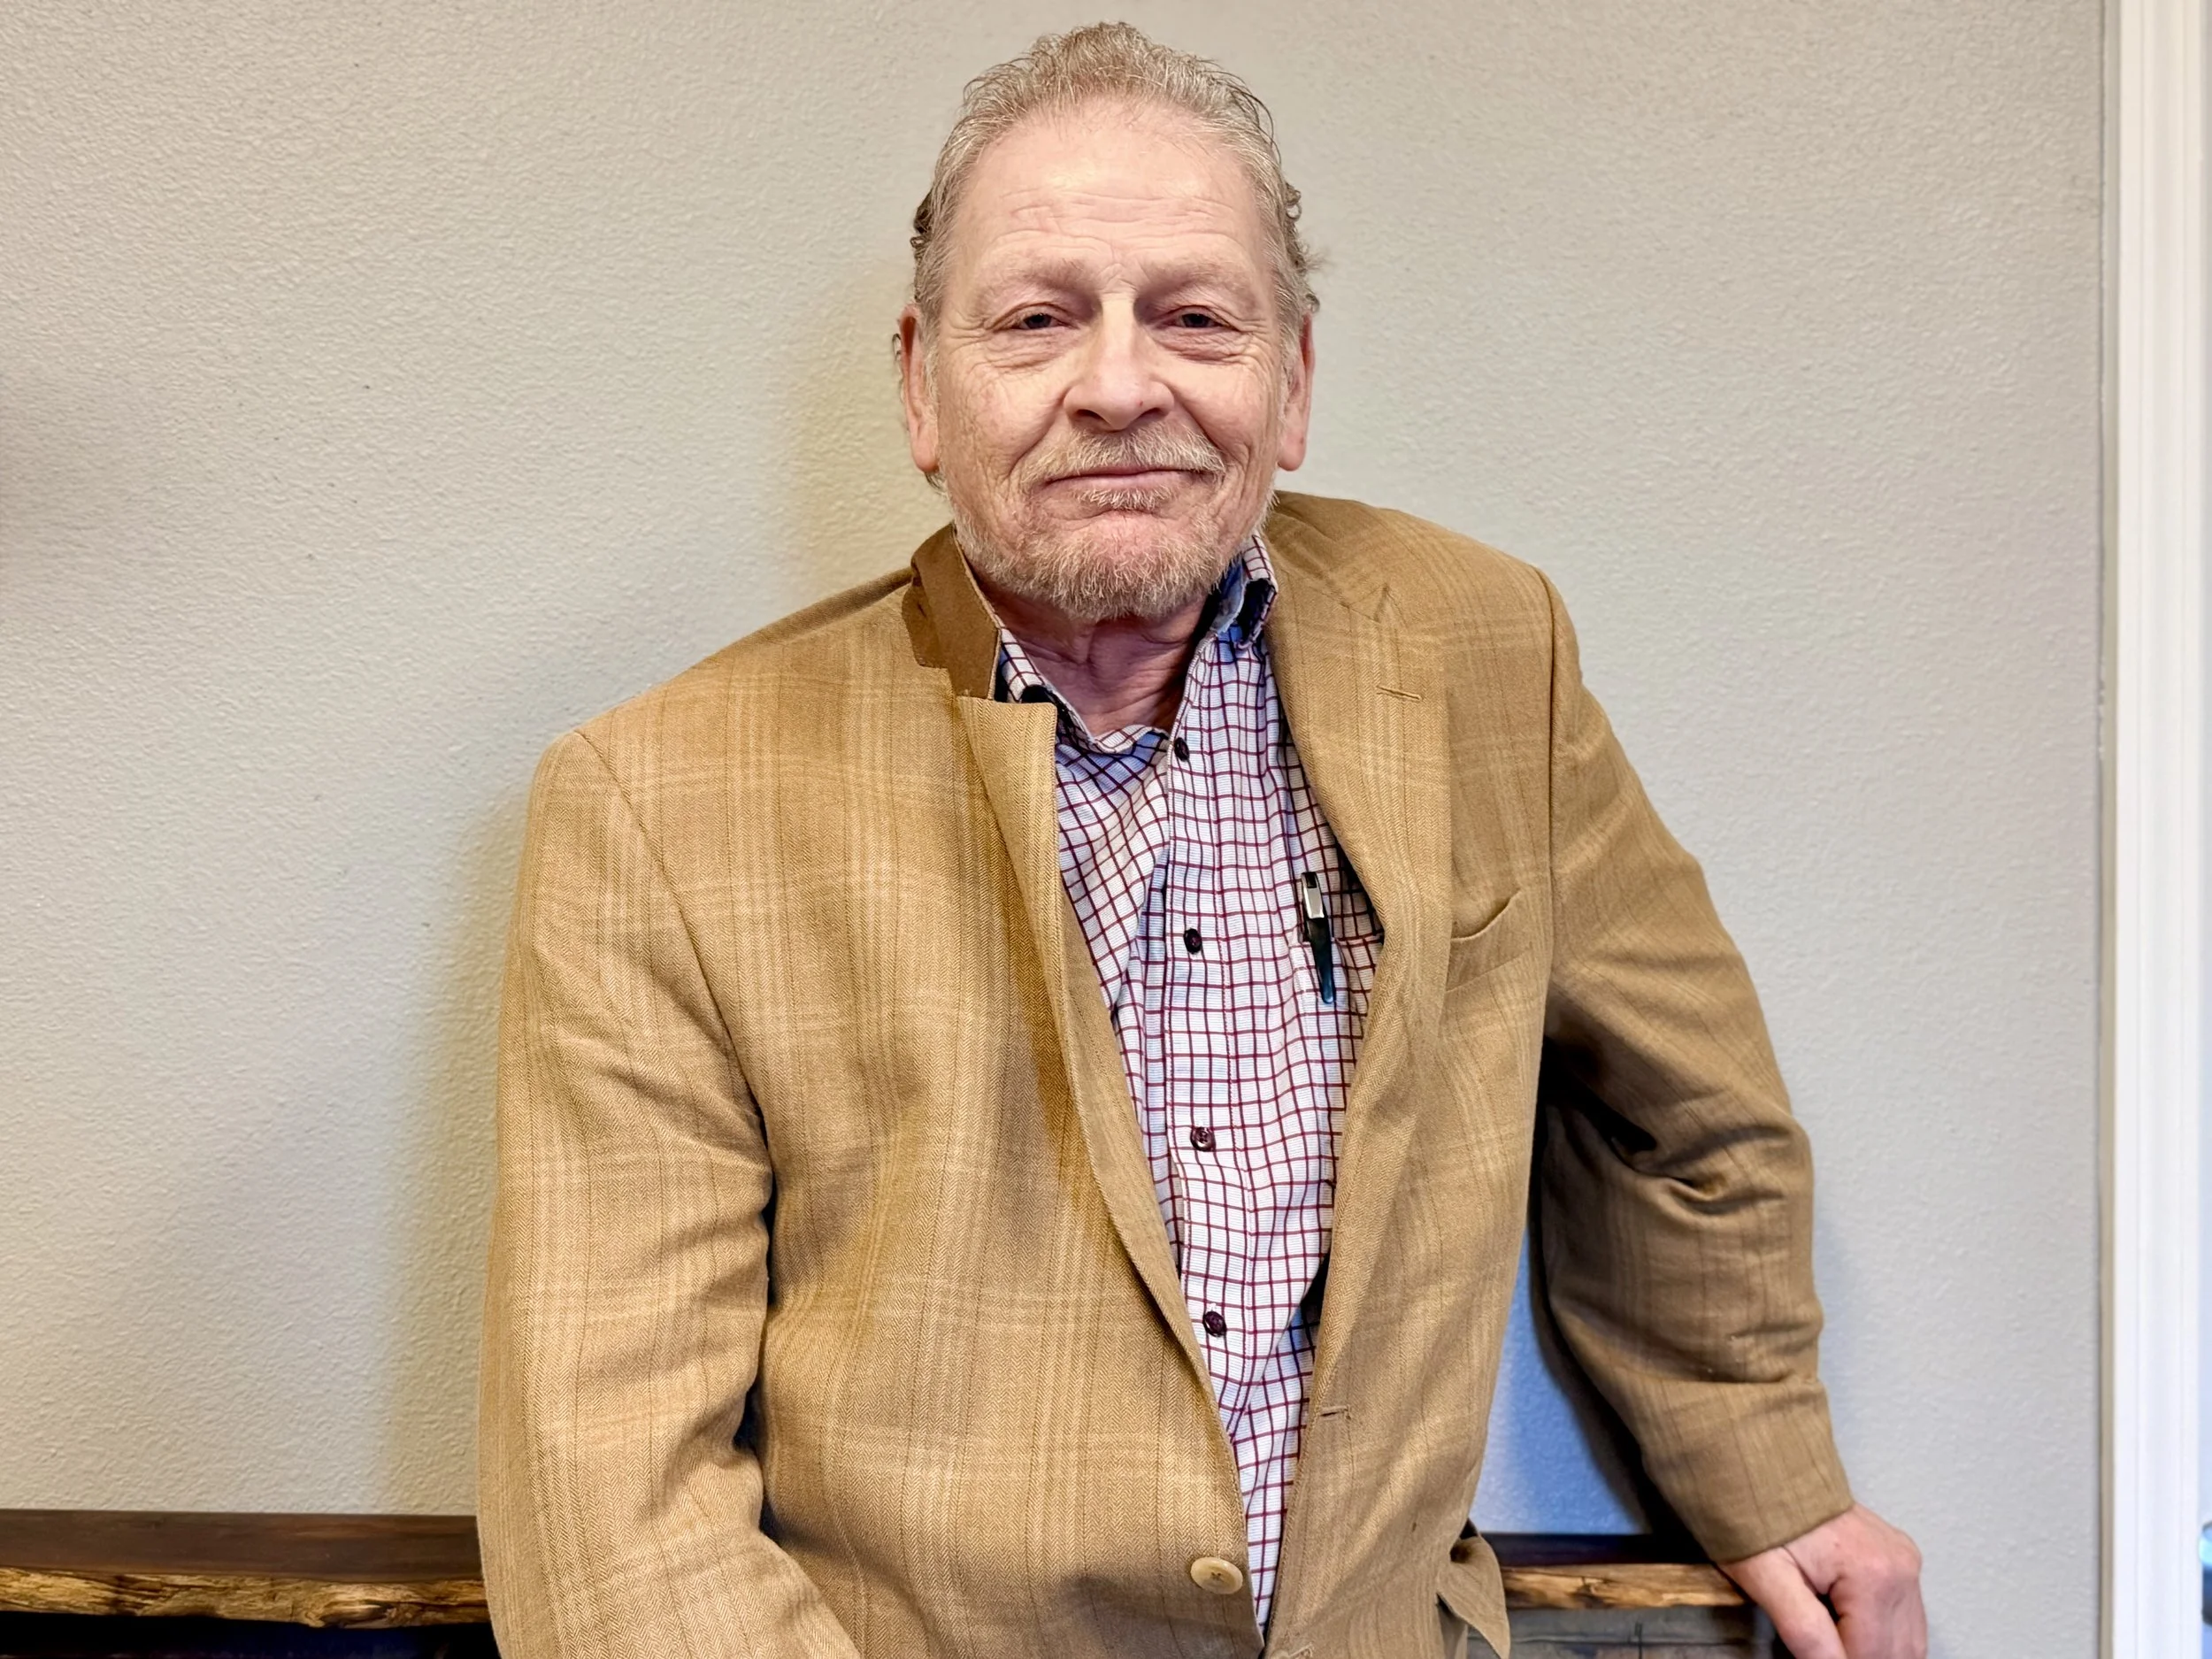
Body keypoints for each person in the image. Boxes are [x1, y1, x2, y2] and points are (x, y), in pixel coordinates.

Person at [478, 23, 1926, 1659]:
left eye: (1196, 317)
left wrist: (1768, 1468)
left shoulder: (1483, 653)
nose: (1120, 382)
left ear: (1291, 380)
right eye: (1038, 319)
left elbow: (1687, 1117)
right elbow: (611, 1487)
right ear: (920, 386)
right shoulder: (661, 795)